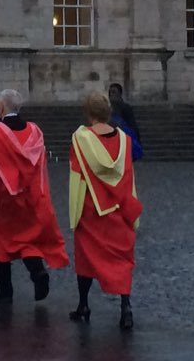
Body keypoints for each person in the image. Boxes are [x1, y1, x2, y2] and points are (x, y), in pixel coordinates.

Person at [0, 89, 69, 304]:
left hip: (4, 196)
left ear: (2, 107)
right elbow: (39, 165)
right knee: (28, 237)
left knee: (2, 241)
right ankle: (37, 273)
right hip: (31, 194)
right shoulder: (35, 131)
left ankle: (5, 291)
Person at [68, 90, 142, 329]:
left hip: (92, 208)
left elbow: (77, 177)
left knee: (86, 258)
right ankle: (125, 306)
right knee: (122, 259)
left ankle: (83, 304)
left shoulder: (80, 139)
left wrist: (74, 213)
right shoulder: (124, 140)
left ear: (88, 113)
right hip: (120, 207)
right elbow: (129, 176)